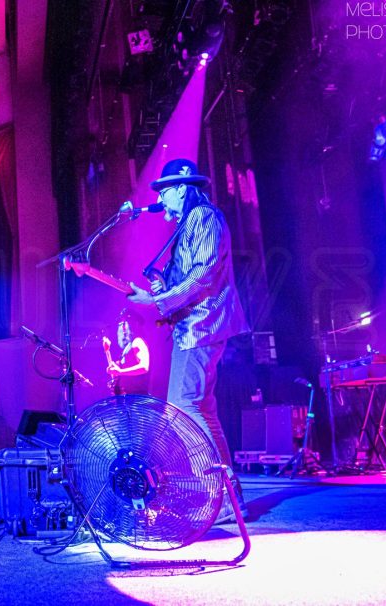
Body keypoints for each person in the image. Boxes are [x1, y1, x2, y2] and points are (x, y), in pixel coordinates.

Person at [127, 159, 249, 521]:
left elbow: (203, 275)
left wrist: (159, 301)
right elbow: (190, 277)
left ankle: (221, 497)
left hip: (202, 325)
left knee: (182, 407)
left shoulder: (204, 216)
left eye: (164, 191)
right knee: (201, 409)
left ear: (181, 188)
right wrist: (163, 287)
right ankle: (229, 497)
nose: (160, 199)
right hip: (195, 326)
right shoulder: (189, 222)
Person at [103, 311, 151, 395]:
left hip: (137, 398)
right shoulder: (128, 347)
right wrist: (107, 351)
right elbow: (116, 374)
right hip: (127, 397)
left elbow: (144, 367)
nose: (122, 328)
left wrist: (120, 371)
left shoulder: (138, 341)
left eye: (123, 323)